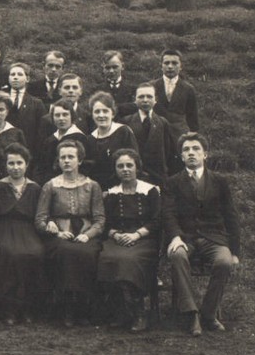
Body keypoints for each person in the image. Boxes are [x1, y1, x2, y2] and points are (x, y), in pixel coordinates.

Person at [162, 133, 239, 336]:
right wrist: (175, 237)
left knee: (224, 262)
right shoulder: (172, 182)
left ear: (205, 154)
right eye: (186, 150)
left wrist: (235, 251)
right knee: (177, 255)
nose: (191, 153)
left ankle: (208, 313)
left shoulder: (219, 181)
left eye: (196, 148)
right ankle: (191, 314)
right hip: (185, 238)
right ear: (181, 156)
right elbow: (168, 214)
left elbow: (231, 216)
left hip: (214, 237)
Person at [35, 140, 105, 327]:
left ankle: (84, 307)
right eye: (62, 157)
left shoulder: (92, 186)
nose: (66, 161)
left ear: (79, 160)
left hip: (85, 233)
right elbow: (40, 219)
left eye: (71, 157)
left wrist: (88, 235)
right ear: (58, 161)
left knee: (87, 252)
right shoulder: (50, 186)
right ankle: (66, 307)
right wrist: (55, 231)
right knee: (65, 252)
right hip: (59, 235)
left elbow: (100, 220)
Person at [97, 149, 160, 332]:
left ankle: (139, 312)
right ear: (115, 169)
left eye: (129, 165)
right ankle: (121, 311)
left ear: (137, 167)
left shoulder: (150, 191)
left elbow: (157, 220)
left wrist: (137, 234)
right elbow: (104, 221)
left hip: (144, 239)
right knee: (107, 257)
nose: (125, 169)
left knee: (129, 259)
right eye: (120, 166)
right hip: (118, 238)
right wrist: (115, 234)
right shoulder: (112, 194)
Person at [0, 143, 45, 325]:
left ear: (27, 164)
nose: (15, 167)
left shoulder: (35, 188)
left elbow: (40, 215)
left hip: (28, 230)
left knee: (34, 253)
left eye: (19, 163)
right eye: (11, 163)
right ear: (5, 165)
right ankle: (8, 309)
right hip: (2, 229)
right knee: (6, 254)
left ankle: (27, 308)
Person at [121, 83, 177, 187]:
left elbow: (168, 152)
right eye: (141, 97)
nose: (145, 100)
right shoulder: (126, 122)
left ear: (155, 100)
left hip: (158, 177)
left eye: (149, 96)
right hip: (134, 176)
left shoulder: (162, 123)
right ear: (135, 100)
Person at [34, 99, 94, 185]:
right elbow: (41, 166)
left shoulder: (80, 138)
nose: (61, 118)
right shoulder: (49, 140)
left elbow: (86, 167)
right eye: (57, 115)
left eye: (65, 115)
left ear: (72, 116)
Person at [88, 91, 139, 190]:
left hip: (123, 187)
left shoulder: (123, 132)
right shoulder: (90, 139)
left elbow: (135, 162)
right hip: (99, 189)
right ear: (92, 115)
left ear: (113, 113)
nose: (101, 115)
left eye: (105, 111)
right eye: (97, 111)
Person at [152, 49, 199, 141]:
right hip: (156, 134)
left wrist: (192, 135)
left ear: (180, 66)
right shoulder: (151, 86)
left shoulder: (188, 89)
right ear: (161, 66)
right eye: (166, 63)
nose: (170, 66)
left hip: (179, 135)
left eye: (174, 63)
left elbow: (192, 117)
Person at [4, 63, 46, 163]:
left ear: (27, 79)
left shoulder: (36, 103)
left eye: (19, 74)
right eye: (12, 74)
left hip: (28, 152)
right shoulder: (1, 100)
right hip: (4, 151)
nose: (15, 77)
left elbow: (41, 132)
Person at [101, 50, 138, 117]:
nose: (111, 71)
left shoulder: (133, 88)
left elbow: (136, 107)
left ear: (122, 66)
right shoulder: (97, 90)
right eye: (107, 68)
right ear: (103, 69)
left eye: (115, 67)